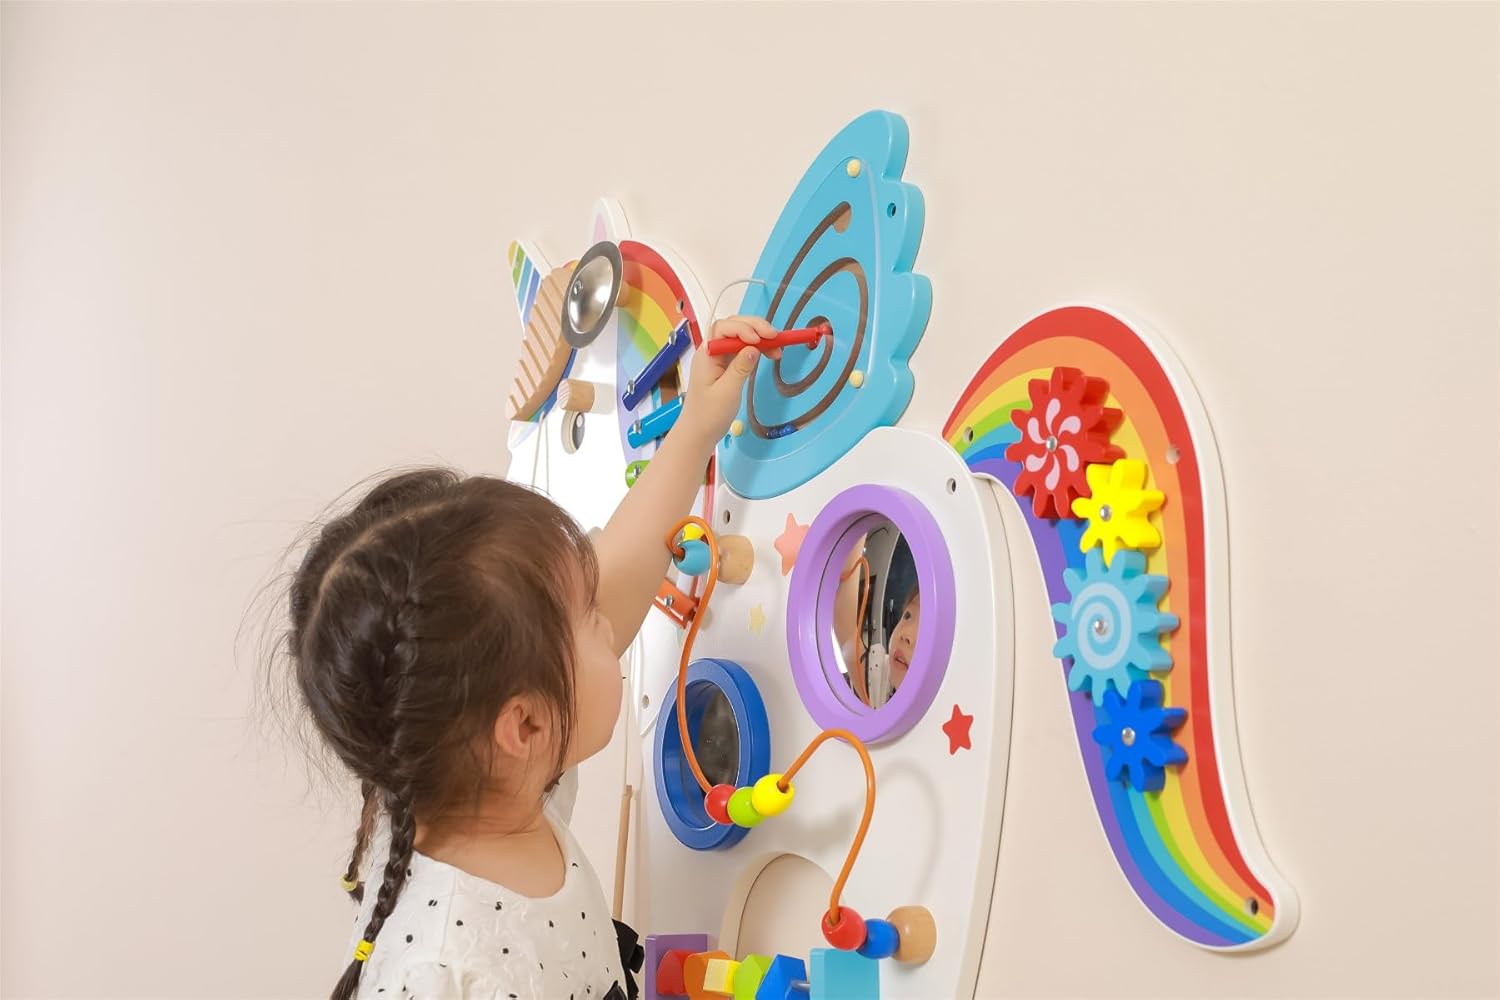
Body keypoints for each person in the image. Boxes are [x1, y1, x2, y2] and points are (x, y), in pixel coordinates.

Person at [278, 317, 778, 999]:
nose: (609, 620)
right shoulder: (446, 972)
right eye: (589, 616)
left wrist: (695, 428)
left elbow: (618, 575)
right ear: (526, 723)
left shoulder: (488, 777)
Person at [831, 536, 921, 708]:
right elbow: (844, 623)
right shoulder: (881, 677)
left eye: (925, 631)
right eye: (908, 616)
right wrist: (856, 531)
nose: (906, 635)